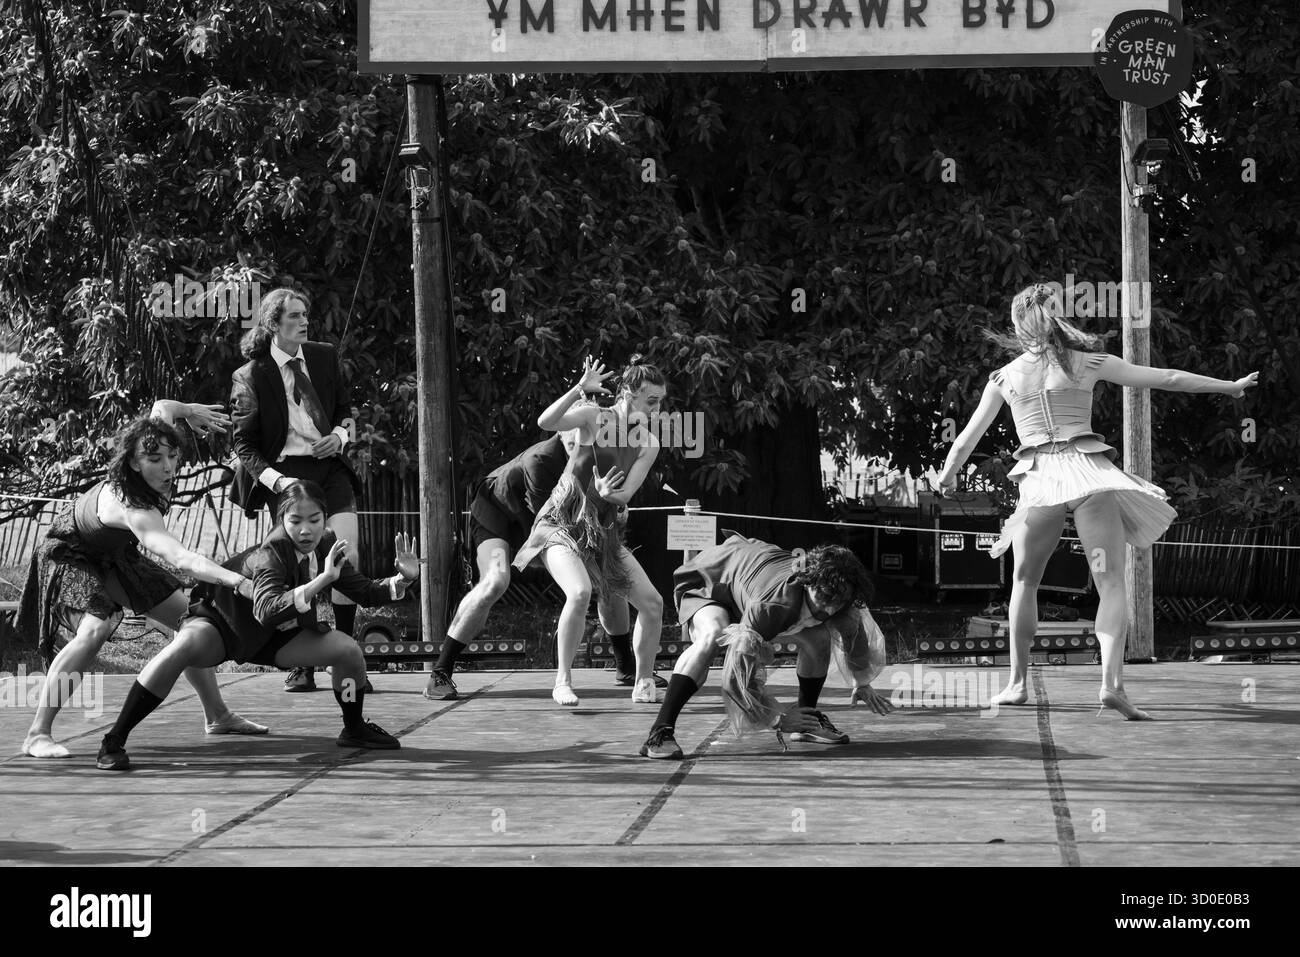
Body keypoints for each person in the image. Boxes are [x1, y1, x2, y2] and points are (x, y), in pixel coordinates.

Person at [935, 282, 1259, 720]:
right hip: (1088, 475)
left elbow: (964, 442)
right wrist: (1230, 386)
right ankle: (1111, 685)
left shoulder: (1003, 379)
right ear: (1057, 317)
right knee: (1109, 582)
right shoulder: (1088, 362)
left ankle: (1016, 684)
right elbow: (1166, 379)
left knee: (1025, 582)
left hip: (1040, 482)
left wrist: (946, 477)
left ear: (1015, 324)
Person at [95, 480, 420, 769]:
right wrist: (321, 581)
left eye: (314, 520)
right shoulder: (270, 554)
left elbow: (361, 590)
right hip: (224, 624)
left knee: (348, 651)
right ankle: (114, 738)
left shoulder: (326, 544)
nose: (305, 530)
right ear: (282, 520)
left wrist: (400, 580)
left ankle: (354, 728)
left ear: (325, 517)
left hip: (276, 636)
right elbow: (266, 608)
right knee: (181, 648)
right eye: (295, 521)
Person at [16, 407, 269, 759]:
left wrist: (188, 411)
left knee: (193, 624)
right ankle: (37, 734)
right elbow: (182, 559)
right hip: (71, 554)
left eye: (172, 456)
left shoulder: (152, 442)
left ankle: (218, 715)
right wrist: (238, 581)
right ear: (134, 463)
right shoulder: (134, 507)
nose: (167, 466)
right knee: (95, 629)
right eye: (155, 459)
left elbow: (163, 408)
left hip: (116, 555)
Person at [425, 422, 660, 699]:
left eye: (586, 429)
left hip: (556, 523)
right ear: (560, 431)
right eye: (572, 429)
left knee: (611, 575)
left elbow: (602, 508)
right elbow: (550, 526)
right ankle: (440, 672)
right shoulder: (542, 462)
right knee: (495, 581)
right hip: (499, 517)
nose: (579, 436)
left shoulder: (600, 456)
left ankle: (626, 666)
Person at [639, 533, 894, 759]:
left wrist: (861, 682)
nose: (828, 608)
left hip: (748, 577)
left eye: (838, 602)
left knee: (819, 638)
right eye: (824, 598)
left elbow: (855, 636)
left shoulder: (841, 598)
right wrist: (778, 719)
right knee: (713, 634)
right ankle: (660, 731)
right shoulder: (772, 606)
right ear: (808, 582)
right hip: (710, 583)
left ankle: (806, 719)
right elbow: (735, 681)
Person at [230, 287, 365, 693]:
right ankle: (301, 661)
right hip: (284, 474)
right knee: (294, 565)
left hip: (329, 468)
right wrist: (278, 481)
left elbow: (347, 411)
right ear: (273, 324)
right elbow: (244, 445)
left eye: (306, 314)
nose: (304, 321)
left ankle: (344, 654)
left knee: (346, 554)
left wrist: (340, 436)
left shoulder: (323, 356)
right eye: (294, 316)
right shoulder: (250, 375)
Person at [512, 357, 666, 707]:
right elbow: (546, 421)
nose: (657, 409)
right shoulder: (595, 417)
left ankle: (642, 680)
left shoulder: (648, 443)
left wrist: (611, 494)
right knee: (579, 592)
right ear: (628, 393)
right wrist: (579, 389)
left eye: (660, 402)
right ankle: (562, 681)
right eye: (652, 400)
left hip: (604, 530)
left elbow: (625, 494)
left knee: (652, 603)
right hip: (562, 523)